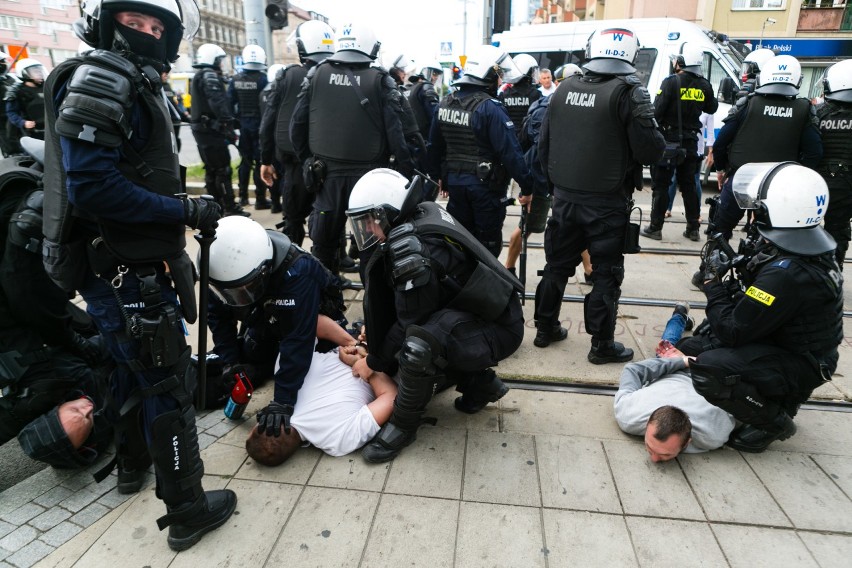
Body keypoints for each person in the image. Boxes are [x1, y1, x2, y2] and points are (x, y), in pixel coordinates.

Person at [42, 0, 236, 550]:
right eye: (135, 23)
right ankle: (188, 510)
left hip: (120, 269)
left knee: (129, 373)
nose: (148, 34)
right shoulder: (105, 74)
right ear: (108, 23)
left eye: (158, 27)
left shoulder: (121, 77)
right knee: (168, 386)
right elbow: (94, 187)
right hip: (128, 274)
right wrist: (185, 211)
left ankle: (132, 466)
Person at [345, 168, 525, 463]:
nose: (367, 229)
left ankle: (404, 425)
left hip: (498, 327)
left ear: (386, 214)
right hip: (480, 314)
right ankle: (482, 385)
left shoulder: (411, 249)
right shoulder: (417, 217)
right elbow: (411, 302)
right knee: (425, 340)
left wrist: (373, 362)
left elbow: (409, 323)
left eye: (369, 221)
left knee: (418, 348)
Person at [682, 162, 842, 453]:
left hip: (803, 363)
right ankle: (769, 396)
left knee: (710, 368)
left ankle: (775, 420)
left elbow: (732, 331)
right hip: (790, 345)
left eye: (759, 208)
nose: (754, 214)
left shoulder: (786, 272)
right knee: (693, 347)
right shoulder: (803, 247)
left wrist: (712, 283)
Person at [533, 27, 665, 363]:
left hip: (565, 196)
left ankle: (545, 328)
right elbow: (651, 150)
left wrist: (554, 188)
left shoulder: (564, 88)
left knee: (556, 266)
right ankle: (601, 345)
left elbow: (543, 146)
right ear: (631, 54)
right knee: (606, 274)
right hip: (606, 202)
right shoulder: (629, 92)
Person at [290, 22, 414, 277]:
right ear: (371, 47)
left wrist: (309, 161)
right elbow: (397, 135)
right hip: (368, 181)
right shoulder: (381, 80)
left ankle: (325, 309)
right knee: (371, 251)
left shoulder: (316, 74)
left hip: (326, 177)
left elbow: (296, 127)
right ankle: (372, 314)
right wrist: (402, 173)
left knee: (323, 248)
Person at [206, 216, 345, 437]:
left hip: (312, 324)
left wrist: (283, 401)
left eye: (244, 289)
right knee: (243, 361)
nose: (238, 296)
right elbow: (218, 318)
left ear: (263, 270)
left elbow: (298, 339)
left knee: (314, 380)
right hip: (268, 317)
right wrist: (230, 363)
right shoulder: (216, 270)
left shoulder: (299, 272)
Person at [427, 44, 534, 257]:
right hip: (485, 189)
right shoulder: (490, 108)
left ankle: (461, 284)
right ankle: (483, 288)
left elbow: (434, 146)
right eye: (498, 76)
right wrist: (527, 187)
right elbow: (510, 153)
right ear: (487, 75)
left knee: (460, 241)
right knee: (486, 246)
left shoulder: (445, 103)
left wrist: (438, 176)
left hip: (456, 186)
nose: (501, 81)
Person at [245, 317, 398, 463]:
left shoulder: (338, 441)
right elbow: (393, 396)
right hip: (383, 358)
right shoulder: (285, 377)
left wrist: (357, 346)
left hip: (367, 348)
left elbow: (310, 322)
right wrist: (362, 362)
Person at [709, 55, 822, 242]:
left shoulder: (747, 103)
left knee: (720, 229)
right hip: (780, 184)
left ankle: (712, 268)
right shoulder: (804, 109)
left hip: (742, 179)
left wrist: (721, 169)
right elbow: (814, 153)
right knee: (768, 236)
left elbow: (721, 142)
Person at [613, 306, 735, 462]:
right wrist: (683, 362)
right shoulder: (631, 416)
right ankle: (682, 317)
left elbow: (633, 370)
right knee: (669, 346)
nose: (655, 460)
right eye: (649, 447)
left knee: (668, 347)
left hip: (690, 372)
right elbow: (734, 396)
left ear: (687, 442)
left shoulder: (713, 435)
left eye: (666, 454)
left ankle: (686, 318)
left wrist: (683, 363)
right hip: (699, 374)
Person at [260, 20, 335, 245]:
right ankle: (336, 261)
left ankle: (291, 267)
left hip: (296, 166)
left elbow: (268, 121)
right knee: (329, 217)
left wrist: (266, 160)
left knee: (293, 219)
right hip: (332, 165)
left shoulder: (287, 76)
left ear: (303, 47)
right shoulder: (344, 76)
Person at [504, 63, 582, 280]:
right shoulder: (546, 108)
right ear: (558, 84)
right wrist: (545, 187)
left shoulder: (571, 106)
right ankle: (508, 268)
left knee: (576, 225)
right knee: (527, 227)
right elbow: (542, 152)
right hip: (541, 179)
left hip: (561, 180)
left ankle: (590, 270)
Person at [642, 43, 718, 242]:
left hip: (669, 143)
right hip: (691, 144)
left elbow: (656, 112)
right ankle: (693, 229)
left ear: (682, 62)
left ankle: (655, 228)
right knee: (689, 187)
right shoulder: (705, 85)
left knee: (662, 186)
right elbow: (712, 108)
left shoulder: (670, 82)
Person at [191, 42, 250, 217]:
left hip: (202, 131)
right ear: (213, 59)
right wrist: (228, 123)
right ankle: (229, 207)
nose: (222, 64)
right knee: (223, 170)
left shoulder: (200, 75)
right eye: (220, 60)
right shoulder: (209, 76)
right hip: (211, 131)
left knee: (211, 169)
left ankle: (214, 206)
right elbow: (216, 102)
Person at [815, 59, 852, 269]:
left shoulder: (819, 114)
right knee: (838, 229)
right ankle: (833, 270)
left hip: (817, 182)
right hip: (847, 186)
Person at [229, 44, 269, 209]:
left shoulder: (235, 80)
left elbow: (229, 104)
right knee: (260, 163)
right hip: (260, 127)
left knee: (244, 163)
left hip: (244, 126)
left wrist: (236, 122)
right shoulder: (263, 79)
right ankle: (260, 200)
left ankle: (243, 198)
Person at [666, 111, 714, 218]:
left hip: (697, 150)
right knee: (673, 179)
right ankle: (667, 208)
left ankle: (697, 213)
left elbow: (710, 132)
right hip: (679, 147)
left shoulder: (706, 108)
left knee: (695, 180)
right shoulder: (686, 102)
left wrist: (710, 151)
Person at [498, 53, 542, 140]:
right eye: (532, 72)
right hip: (528, 140)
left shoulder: (503, 95)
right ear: (527, 72)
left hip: (509, 138)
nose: (533, 75)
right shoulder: (536, 94)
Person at [4, 58, 47, 141]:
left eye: (40, 71)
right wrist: (23, 122)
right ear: (24, 73)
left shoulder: (47, 87)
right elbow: (11, 112)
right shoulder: (16, 92)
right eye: (35, 71)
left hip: (52, 128)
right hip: (34, 133)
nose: (39, 73)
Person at [407, 60, 443, 141]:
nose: (436, 77)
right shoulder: (427, 88)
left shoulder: (409, 88)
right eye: (434, 74)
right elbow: (435, 115)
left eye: (437, 75)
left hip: (411, 137)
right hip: (425, 137)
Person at [0, 51, 22, 157]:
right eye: (2, 61)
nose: (5, 63)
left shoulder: (9, 78)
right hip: (2, 117)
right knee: (8, 139)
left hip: (16, 115)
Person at [162, 70, 189, 152]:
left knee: (175, 144)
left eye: (166, 73)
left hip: (175, 120)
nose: (166, 74)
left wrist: (184, 116)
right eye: (163, 72)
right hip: (166, 122)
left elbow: (174, 104)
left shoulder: (167, 86)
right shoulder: (158, 87)